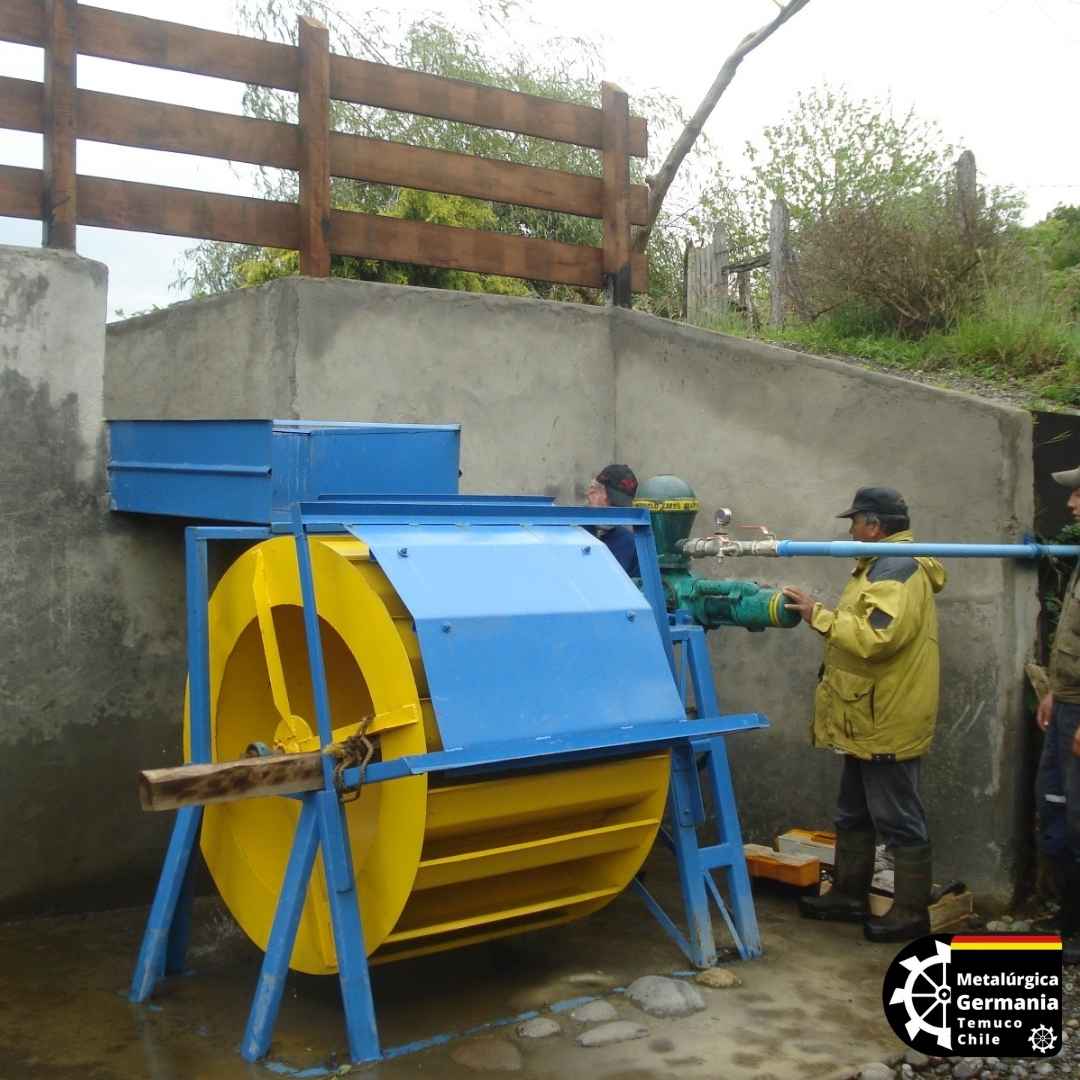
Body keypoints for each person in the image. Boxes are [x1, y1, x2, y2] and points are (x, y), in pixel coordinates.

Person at [781, 486, 946, 943]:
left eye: (854, 522)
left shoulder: (895, 567)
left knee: (897, 817)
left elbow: (877, 638)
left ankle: (910, 912)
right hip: (865, 713)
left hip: (885, 716)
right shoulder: (879, 563)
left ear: (873, 525)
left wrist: (820, 615)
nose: (850, 530)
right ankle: (851, 894)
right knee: (853, 811)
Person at [1035, 463, 1080, 964]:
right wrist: (1053, 690)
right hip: (1067, 703)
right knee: (1055, 808)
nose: (1070, 504)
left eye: (1078, 495)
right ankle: (1066, 917)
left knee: (1079, 821)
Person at [585, 464, 640, 577]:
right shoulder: (571, 534)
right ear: (592, 492)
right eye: (613, 502)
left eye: (621, 506)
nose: (616, 510)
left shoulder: (629, 543)